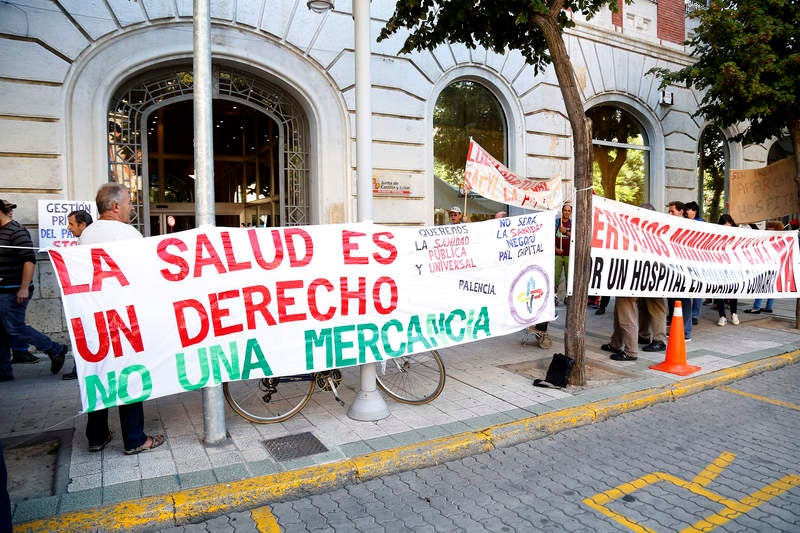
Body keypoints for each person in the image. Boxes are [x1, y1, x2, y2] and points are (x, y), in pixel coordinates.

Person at [80, 184, 165, 454]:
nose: (131, 207)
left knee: (100, 373)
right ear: (115, 206)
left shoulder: (87, 233)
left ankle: (96, 436)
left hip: (95, 315)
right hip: (124, 316)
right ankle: (134, 438)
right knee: (129, 373)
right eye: (128, 202)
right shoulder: (128, 233)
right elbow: (143, 275)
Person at [0, 199, 68, 382]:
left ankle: (55, 349)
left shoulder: (17, 231)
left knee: (15, 328)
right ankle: (3, 370)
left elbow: (29, 260)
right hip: (2, 289)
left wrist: (23, 287)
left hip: (14, 290)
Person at [61, 210, 94, 380]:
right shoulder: (82, 241)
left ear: (83, 225)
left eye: (72, 224)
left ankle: (81, 368)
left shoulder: (89, 242)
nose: (68, 228)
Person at [636, 203, 668, 352]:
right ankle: (643, 335)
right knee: (643, 306)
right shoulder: (643, 230)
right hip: (644, 273)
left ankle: (659, 339)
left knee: (656, 306)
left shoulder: (658, 231)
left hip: (655, 274)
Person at [666, 201, 693, 341]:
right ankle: (676, 330)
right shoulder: (670, 225)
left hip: (685, 269)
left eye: (673, 211)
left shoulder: (689, 226)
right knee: (673, 300)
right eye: (669, 211)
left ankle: (686, 332)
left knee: (684, 300)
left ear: (681, 212)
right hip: (673, 268)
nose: (670, 214)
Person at [744, 220, 784, 314]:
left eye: (769, 227)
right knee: (771, 286)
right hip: (777, 265)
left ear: (775, 229)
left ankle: (756, 308)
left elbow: (757, 231)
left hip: (768, 264)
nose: (767, 229)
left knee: (762, 285)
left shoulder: (770, 238)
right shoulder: (782, 238)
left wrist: (750, 222)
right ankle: (769, 307)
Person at [715, 214, 740, 326]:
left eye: (729, 226)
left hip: (733, 267)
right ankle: (722, 316)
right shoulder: (716, 235)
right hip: (720, 266)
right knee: (720, 291)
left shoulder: (737, 234)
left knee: (734, 290)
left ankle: (734, 313)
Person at [683, 201, 705, 324]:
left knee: (697, 289)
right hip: (689, 259)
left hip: (697, 261)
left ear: (694, 211)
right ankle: (691, 315)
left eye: (688, 210)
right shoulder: (687, 222)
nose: (687, 212)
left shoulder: (700, 223)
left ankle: (695, 315)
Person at [554, 203, 572, 306]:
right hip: (558, 255)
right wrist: (556, 249)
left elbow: (575, 236)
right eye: (565, 210)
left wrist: (565, 231)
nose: (567, 212)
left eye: (569, 211)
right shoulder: (557, 222)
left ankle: (567, 297)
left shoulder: (572, 223)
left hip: (569, 254)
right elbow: (549, 237)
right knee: (555, 276)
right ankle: (555, 297)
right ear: (562, 211)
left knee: (569, 276)